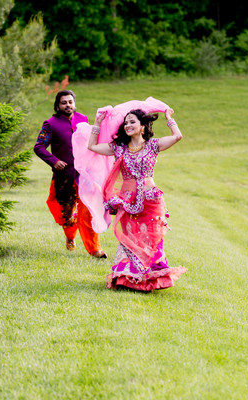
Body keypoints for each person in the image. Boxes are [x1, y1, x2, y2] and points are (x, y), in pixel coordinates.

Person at [87, 105, 187, 291]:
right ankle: (128, 278)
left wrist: (168, 117)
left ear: (142, 126)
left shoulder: (153, 145)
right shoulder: (119, 148)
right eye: (125, 123)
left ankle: (151, 278)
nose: (127, 125)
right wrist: (98, 122)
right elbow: (92, 146)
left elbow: (177, 136)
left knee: (152, 238)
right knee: (129, 238)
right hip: (128, 201)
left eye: (132, 122)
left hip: (151, 199)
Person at [34, 90, 106, 258]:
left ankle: (95, 249)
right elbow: (38, 147)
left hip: (84, 175)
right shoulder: (50, 124)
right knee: (67, 214)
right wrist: (54, 161)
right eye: (64, 102)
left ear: (74, 103)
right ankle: (70, 237)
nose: (68, 105)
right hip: (63, 176)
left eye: (70, 102)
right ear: (58, 106)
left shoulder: (83, 119)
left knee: (88, 211)